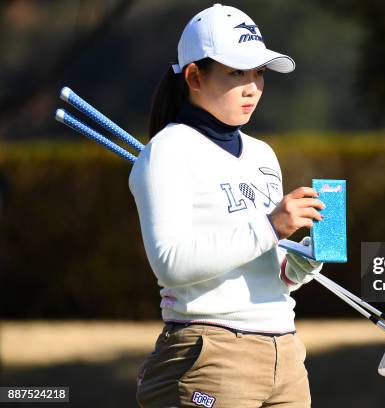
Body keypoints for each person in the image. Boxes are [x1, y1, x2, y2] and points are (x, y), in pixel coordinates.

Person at [129, 4, 325, 407]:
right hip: (210, 353)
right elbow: (170, 263)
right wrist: (271, 226)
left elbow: (260, 265)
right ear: (194, 76)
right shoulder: (166, 152)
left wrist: (296, 267)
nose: (252, 86)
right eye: (237, 72)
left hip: (286, 353)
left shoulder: (263, 155)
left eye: (259, 74)